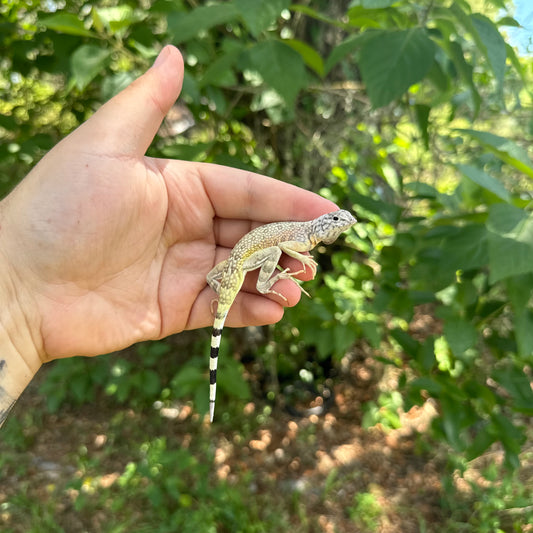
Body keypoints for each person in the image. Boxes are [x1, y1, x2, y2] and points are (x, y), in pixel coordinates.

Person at [0, 45, 337, 426]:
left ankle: (243, 288)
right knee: (273, 260)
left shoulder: (304, 234)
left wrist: (19, 290)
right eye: (337, 222)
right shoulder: (304, 234)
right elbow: (287, 246)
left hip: (233, 264)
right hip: (244, 260)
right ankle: (267, 281)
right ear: (324, 226)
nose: (338, 226)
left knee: (254, 274)